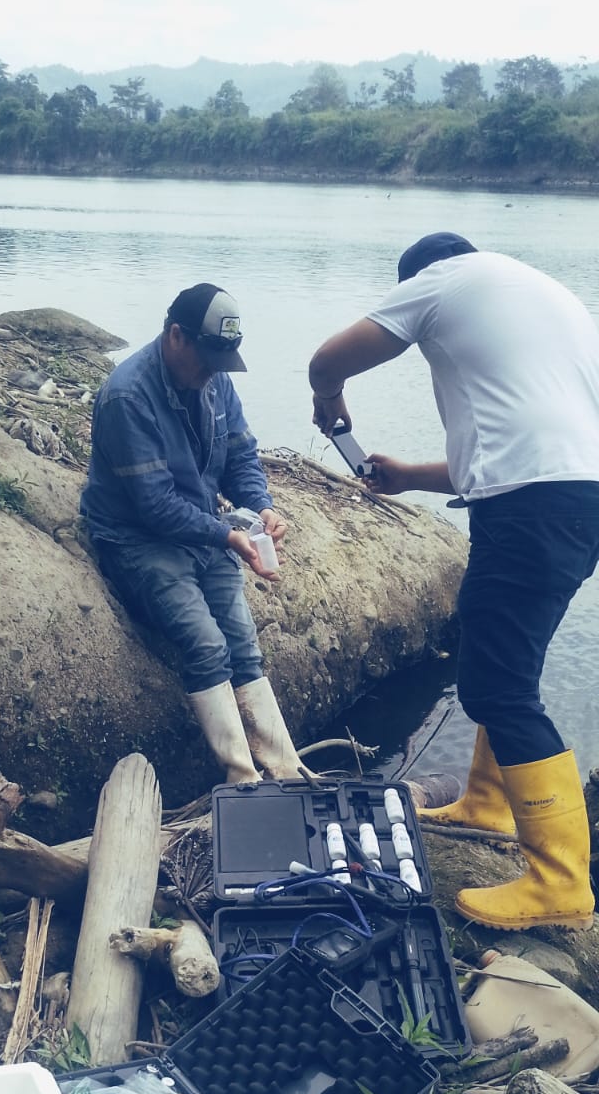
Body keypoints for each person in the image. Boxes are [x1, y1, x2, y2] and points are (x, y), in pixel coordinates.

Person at [308, 232, 599, 932]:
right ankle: (490, 805)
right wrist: (409, 476)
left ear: (419, 278)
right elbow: (518, 447)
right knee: (504, 660)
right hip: (571, 498)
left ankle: (560, 880)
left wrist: (328, 395)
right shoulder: (543, 297)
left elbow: (328, 358)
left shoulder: (441, 279)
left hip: (531, 507)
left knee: (498, 687)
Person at [81, 281, 302, 783]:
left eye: (221, 362)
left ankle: (286, 772)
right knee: (207, 646)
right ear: (176, 335)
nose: (212, 372)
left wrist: (261, 508)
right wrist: (227, 537)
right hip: (138, 537)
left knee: (243, 645)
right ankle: (242, 779)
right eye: (206, 359)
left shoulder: (215, 379)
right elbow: (155, 506)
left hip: (201, 530)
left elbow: (241, 457)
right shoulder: (126, 396)